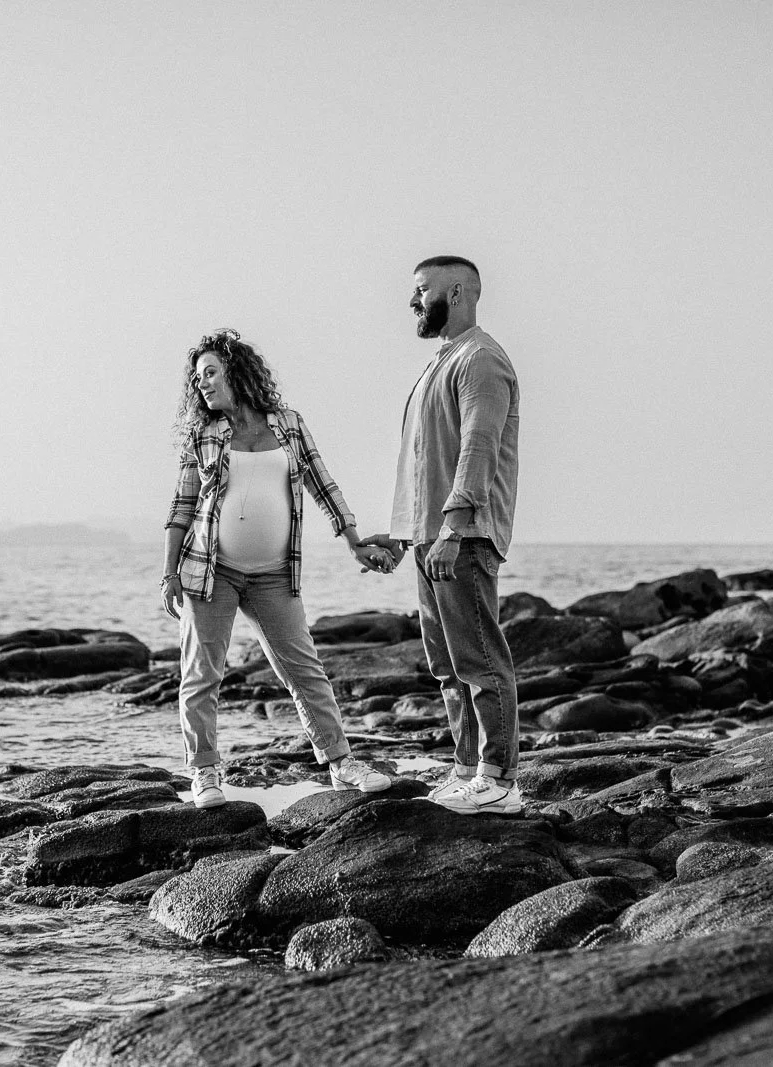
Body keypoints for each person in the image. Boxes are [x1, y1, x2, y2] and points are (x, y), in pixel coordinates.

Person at [162, 328, 394, 808]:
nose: (202, 383)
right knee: (201, 675)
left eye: (211, 372)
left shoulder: (288, 423)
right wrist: (169, 575)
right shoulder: (202, 434)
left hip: (274, 574)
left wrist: (354, 542)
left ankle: (340, 763)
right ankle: (203, 771)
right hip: (210, 572)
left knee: (304, 671)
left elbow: (322, 484)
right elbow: (181, 507)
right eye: (198, 377)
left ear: (237, 372)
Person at [363, 256, 522, 815]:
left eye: (421, 290)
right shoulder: (441, 362)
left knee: (479, 660)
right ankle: (467, 770)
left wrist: (453, 527)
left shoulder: (481, 360)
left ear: (456, 293)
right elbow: (425, 461)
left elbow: (478, 447)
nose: (412, 301)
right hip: (433, 540)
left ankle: (499, 780)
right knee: (447, 667)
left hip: (463, 536)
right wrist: (402, 536)